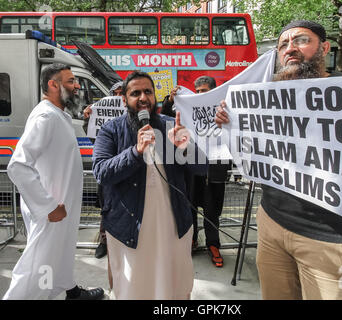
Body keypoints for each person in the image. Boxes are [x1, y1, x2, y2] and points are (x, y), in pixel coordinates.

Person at [215, 20, 342, 300]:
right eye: (283, 44)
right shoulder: (265, 97)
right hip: (271, 224)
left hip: (330, 239)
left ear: (324, 47)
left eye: (300, 40)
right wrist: (230, 123)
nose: (290, 49)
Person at [92, 71, 207, 299]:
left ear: (155, 97)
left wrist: (186, 147)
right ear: (124, 100)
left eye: (148, 92)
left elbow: (202, 169)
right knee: (134, 287)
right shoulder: (111, 130)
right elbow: (101, 172)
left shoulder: (171, 125)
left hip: (173, 225)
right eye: (135, 93)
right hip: (129, 229)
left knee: (173, 287)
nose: (143, 97)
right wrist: (135, 152)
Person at [2, 63, 104, 300]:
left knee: (58, 255)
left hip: (59, 209)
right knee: (37, 269)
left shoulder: (58, 114)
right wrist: (48, 206)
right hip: (52, 211)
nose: (77, 85)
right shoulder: (46, 117)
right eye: (71, 81)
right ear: (53, 84)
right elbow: (18, 165)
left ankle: (69, 290)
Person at [161, 76, 230, 267]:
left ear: (214, 91)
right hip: (191, 165)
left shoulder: (225, 108)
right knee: (189, 204)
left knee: (212, 209)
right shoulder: (189, 107)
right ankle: (192, 239)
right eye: (197, 91)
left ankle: (213, 244)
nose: (200, 94)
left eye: (205, 91)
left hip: (215, 167)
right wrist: (169, 102)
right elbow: (166, 119)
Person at [83, 80, 124, 260]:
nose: (119, 97)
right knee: (106, 208)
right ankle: (104, 241)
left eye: (122, 93)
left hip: (128, 170)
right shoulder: (104, 118)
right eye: (115, 94)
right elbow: (94, 138)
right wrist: (88, 119)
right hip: (108, 171)